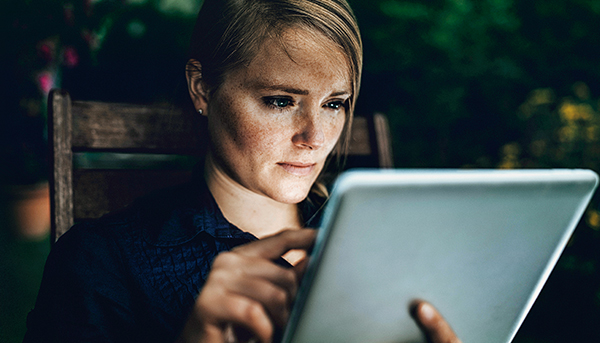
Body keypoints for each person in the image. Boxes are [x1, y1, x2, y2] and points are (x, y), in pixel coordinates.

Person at [24, 0, 461, 342]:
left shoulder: (388, 241)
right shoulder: (100, 263)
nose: (314, 136)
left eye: (334, 104)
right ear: (203, 88)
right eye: (279, 100)